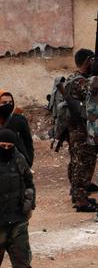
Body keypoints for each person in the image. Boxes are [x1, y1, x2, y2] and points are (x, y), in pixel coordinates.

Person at [65, 48, 98, 212]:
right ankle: (81, 200)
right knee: (83, 164)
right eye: (92, 60)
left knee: (76, 162)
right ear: (87, 61)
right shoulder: (80, 82)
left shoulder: (72, 78)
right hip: (81, 129)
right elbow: (94, 95)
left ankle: (77, 194)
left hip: (75, 129)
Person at [0, 129, 35, 268]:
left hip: (17, 221)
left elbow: (29, 183)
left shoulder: (19, 159)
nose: (6, 149)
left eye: (10, 146)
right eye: (2, 146)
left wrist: (29, 204)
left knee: (23, 263)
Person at [0, 92, 34, 167]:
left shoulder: (19, 120)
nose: (8, 104)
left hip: (16, 164)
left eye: (10, 102)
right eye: (4, 102)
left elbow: (28, 142)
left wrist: (29, 161)